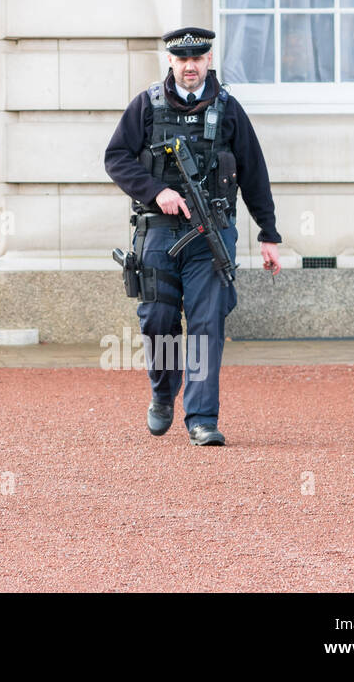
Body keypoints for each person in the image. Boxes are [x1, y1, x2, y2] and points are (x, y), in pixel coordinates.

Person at [104, 26, 281, 446]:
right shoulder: (146, 106)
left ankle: (201, 417)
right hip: (158, 233)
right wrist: (157, 191)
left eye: (197, 59)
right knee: (158, 321)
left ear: (208, 60)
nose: (190, 66)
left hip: (211, 234)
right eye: (182, 60)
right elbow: (116, 158)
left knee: (206, 324)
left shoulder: (229, 109)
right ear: (171, 61)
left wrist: (268, 234)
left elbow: (254, 174)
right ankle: (164, 394)